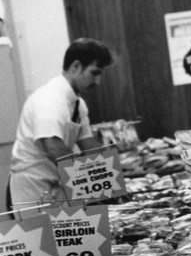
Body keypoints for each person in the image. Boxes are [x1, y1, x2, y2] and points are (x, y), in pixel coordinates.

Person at [8, 38, 113, 211]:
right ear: (76, 66)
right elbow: (54, 148)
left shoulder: (78, 104)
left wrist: (111, 170)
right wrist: (96, 179)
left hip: (56, 186)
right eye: (94, 73)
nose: (98, 81)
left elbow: (89, 145)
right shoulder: (49, 99)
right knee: (40, 238)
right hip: (32, 189)